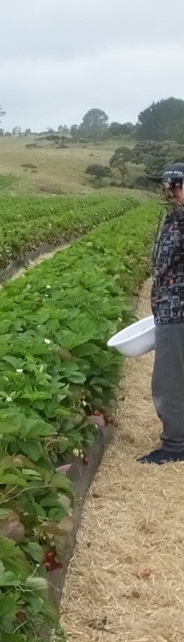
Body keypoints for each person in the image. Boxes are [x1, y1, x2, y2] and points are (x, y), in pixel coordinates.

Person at [142, 164, 184, 464]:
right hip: (169, 307)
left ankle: (175, 447)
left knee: (168, 381)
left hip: (178, 310)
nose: (169, 191)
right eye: (168, 185)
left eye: (175, 185)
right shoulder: (174, 217)